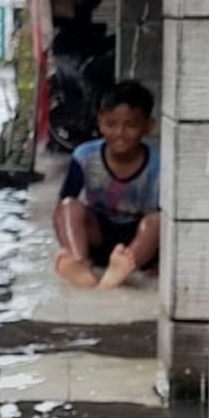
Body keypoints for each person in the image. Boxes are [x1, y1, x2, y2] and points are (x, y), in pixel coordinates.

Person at [52, 81, 160, 289]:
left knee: (157, 221)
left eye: (130, 125)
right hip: (98, 237)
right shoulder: (84, 156)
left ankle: (120, 271)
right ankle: (80, 264)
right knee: (69, 206)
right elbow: (60, 213)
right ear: (100, 123)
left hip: (136, 244)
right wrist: (68, 246)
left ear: (147, 126)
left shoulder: (158, 163)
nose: (120, 133)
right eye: (111, 124)